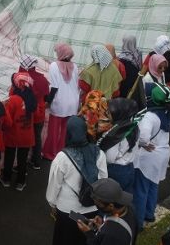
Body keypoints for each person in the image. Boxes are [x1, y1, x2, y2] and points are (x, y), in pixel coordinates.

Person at [46, 116, 108, 245]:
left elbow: (54, 185)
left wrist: (52, 204)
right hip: (92, 208)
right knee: (86, 239)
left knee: (65, 239)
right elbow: (103, 181)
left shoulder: (62, 157)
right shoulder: (99, 153)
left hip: (68, 210)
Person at [133, 83, 170, 229]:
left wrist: (143, 144)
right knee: (153, 185)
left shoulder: (149, 116)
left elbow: (143, 137)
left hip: (149, 155)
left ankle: (138, 222)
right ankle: (150, 214)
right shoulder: (168, 112)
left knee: (141, 189)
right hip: (163, 154)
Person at [43, 43, 80, 160]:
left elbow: (54, 87)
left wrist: (48, 101)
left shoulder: (54, 65)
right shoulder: (75, 66)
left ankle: (50, 153)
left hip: (60, 102)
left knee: (53, 130)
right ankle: (61, 152)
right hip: (73, 102)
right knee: (65, 130)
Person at [1, 72, 37, 191]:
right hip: (27, 134)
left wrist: (3, 108)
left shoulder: (12, 100)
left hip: (13, 134)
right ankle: (20, 183)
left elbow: (8, 122)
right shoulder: (32, 98)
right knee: (23, 159)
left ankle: (6, 179)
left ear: (15, 85)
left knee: (9, 157)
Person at [76, 178, 137, 245]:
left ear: (111, 206)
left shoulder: (111, 234)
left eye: (97, 203)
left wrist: (89, 233)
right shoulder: (129, 208)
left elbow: (110, 236)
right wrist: (103, 225)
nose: (95, 204)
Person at [99, 98, 140, 194]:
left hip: (116, 171)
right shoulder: (134, 126)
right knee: (124, 199)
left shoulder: (117, 133)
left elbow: (109, 158)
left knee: (112, 200)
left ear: (119, 114)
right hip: (129, 168)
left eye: (110, 113)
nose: (107, 115)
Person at [18, 54, 49, 169]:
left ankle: (22, 166)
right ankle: (36, 162)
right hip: (39, 112)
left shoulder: (22, 77)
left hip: (26, 113)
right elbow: (46, 95)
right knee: (37, 137)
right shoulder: (43, 79)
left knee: (25, 139)